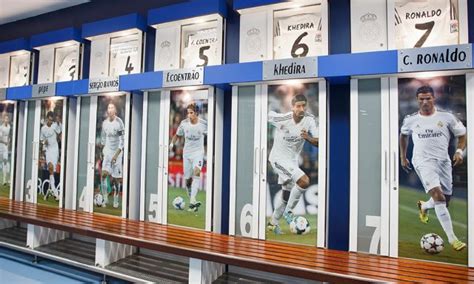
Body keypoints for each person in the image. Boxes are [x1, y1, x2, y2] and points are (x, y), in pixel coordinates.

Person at [400, 85, 466, 251]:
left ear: (434, 98)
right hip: (423, 161)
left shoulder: (447, 117)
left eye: (428, 98)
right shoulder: (410, 119)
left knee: (446, 200)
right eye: (421, 99)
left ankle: (424, 206)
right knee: (439, 197)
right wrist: (403, 156)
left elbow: (462, 134)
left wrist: (459, 151)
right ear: (417, 100)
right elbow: (403, 135)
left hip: (443, 161)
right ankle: (453, 239)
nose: (425, 102)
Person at [267, 94, 318, 234]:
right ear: (293, 107)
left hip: (292, 160)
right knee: (304, 181)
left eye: (303, 105)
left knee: (286, 195)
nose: (301, 109)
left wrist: (308, 137)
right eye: (298, 106)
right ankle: (288, 213)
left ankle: (273, 223)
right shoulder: (283, 119)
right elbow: (265, 115)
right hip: (278, 158)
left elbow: (319, 142)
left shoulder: (309, 120)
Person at [170, 103, 207, 212]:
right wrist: (171, 145)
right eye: (188, 113)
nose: (188, 115)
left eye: (191, 113)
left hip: (198, 153)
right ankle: (191, 198)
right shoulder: (184, 124)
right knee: (187, 181)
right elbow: (177, 135)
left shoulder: (204, 124)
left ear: (196, 114)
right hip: (187, 154)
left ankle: (192, 201)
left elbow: (213, 135)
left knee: (197, 173)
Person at [100, 102, 125, 208]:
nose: (110, 110)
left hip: (117, 153)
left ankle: (115, 199)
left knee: (116, 180)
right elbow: (103, 139)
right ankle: (105, 199)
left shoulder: (119, 123)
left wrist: (116, 155)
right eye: (108, 108)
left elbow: (122, 141)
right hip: (108, 151)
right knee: (104, 175)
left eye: (112, 108)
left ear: (115, 111)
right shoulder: (104, 123)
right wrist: (102, 151)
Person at [40, 111, 61, 200]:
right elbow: (41, 140)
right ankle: (55, 191)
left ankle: (50, 190)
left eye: (52, 120)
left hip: (55, 150)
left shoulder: (55, 126)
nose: (50, 121)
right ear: (47, 118)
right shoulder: (43, 128)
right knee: (51, 168)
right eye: (49, 119)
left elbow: (60, 133)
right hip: (48, 151)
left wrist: (58, 123)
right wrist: (45, 142)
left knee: (53, 171)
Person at [0, 114, 11, 185]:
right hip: (1, 146)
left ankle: (4, 180)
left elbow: (9, 136)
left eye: (7, 119)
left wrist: (8, 142)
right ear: (3, 120)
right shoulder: (1, 127)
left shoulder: (9, 126)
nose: (6, 120)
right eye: (5, 119)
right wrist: (5, 142)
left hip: (6, 147)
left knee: (5, 161)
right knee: (2, 162)